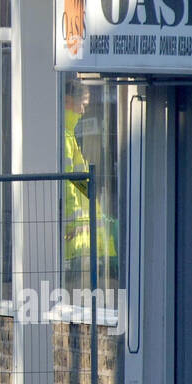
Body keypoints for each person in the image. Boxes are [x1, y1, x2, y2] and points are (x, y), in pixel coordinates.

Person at [62, 78, 117, 289]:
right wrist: (69, 223)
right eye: (83, 104)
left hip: (77, 234)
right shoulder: (66, 138)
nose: (84, 111)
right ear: (68, 101)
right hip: (74, 235)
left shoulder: (69, 136)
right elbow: (67, 185)